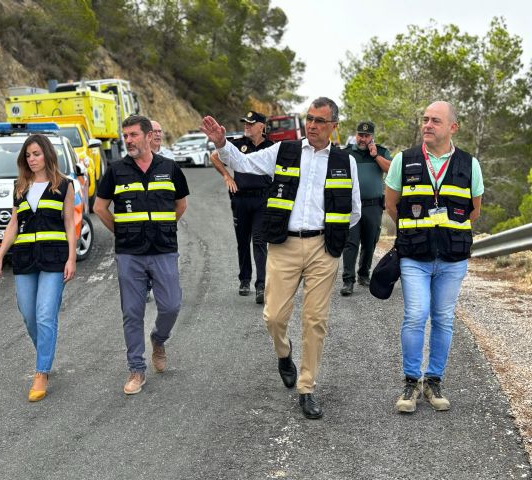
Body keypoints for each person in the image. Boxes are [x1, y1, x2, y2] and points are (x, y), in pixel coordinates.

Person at [201, 97, 361, 419]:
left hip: (322, 248)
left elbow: (354, 211)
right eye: (309, 119)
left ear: (333, 126)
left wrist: (330, 237)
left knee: (315, 321)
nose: (312, 125)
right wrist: (222, 143)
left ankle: (307, 387)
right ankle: (284, 354)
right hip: (284, 245)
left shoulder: (346, 162)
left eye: (319, 121)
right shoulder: (283, 152)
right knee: (273, 317)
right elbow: (245, 164)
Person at [385, 101, 483, 413]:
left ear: (452, 127)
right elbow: (392, 205)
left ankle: (434, 381)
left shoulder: (469, 164)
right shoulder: (405, 160)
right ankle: (411, 381)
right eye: (425, 119)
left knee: (443, 319)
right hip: (414, 255)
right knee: (416, 315)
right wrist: (416, 233)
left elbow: (474, 211)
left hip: (453, 259)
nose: (427, 125)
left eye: (435, 121)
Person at [93, 115, 189, 395]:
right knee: (132, 312)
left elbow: (181, 204)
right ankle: (137, 369)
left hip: (163, 251)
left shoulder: (170, 169)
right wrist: (121, 232)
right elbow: (100, 208)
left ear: (149, 136)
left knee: (171, 306)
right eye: (126, 136)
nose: (129, 140)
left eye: (134, 134)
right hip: (130, 254)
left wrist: (163, 227)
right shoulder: (116, 170)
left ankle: (158, 340)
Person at [0, 134, 77, 402]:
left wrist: (72, 258)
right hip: (25, 258)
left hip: (54, 257)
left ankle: (41, 372)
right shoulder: (20, 186)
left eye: (37, 154)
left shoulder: (64, 185)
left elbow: (69, 224)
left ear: (48, 155)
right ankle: (46, 353)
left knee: (44, 315)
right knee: (29, 315)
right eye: (28, 155)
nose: (32, 159)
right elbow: (14, 225)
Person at [210, 110, 274, 303]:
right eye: (245, 123)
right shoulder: (238, 143)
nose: (246, 126)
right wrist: (226, 175)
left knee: (260, 241)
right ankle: (244, 279)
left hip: (263, 199)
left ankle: (261, 285)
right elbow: (214, 156)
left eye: (250, 123)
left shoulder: (271, 146)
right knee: (243, 241)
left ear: (261, 126)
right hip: (241, 198)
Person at [340, 121, 393, 296]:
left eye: (367, 136)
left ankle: (364, 274)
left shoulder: (381, 151)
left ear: (372, 137)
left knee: (370, 242)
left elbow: (391, 170)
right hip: (351, 206)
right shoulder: (347, 153)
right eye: (360, 135)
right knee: (351, 243)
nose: (363, 139)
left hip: (373, 205)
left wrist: (375, 155)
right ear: (356, 135)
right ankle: (348, 280)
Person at [145, 120, 175, 303]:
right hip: (143, 215)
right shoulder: (138, 158)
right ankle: (146, 287)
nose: (157, 134)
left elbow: (177, 189)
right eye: (154, 131)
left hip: (164, 215)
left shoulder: (169, 157)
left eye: (160, 131)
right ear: (147, 134)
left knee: (164, 255)